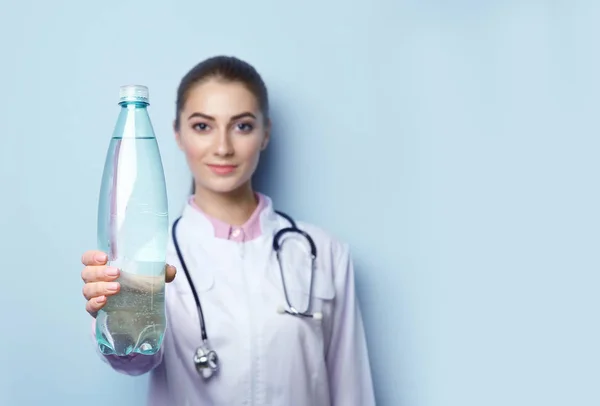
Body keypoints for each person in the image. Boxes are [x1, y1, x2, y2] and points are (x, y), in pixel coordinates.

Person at [80, 55, 375, 406]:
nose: (222, 147)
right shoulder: (147, 258)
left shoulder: (323, 253)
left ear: (266, 133)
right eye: (203, 126)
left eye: (243, 126)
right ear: (177, 133)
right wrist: (114, 315)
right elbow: (132, 360)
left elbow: (352, 391)